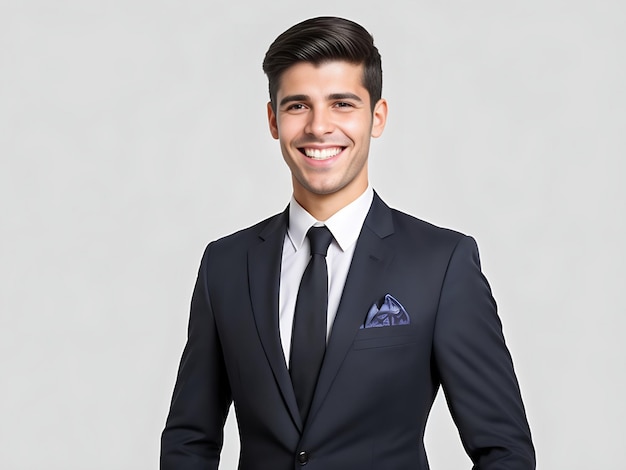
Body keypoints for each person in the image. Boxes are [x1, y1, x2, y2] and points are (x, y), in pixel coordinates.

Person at [160, 16, 535, 470]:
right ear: (273, 120)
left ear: (376, 117)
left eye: (342, 104)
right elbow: (189, 439)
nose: (319, 127)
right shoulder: (225, 264)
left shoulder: (440, 264)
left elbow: (505, 451)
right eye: (298, 106)